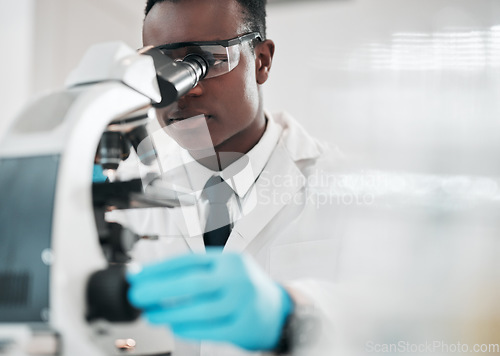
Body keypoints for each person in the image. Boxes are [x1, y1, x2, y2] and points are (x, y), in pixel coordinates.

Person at [110, 0, 341, 355]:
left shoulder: (343, 186)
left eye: (208, 60)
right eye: (160, 67)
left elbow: (389, 319)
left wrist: (290, 317)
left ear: (262, 61)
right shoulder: (119, 189)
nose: (183, 89)